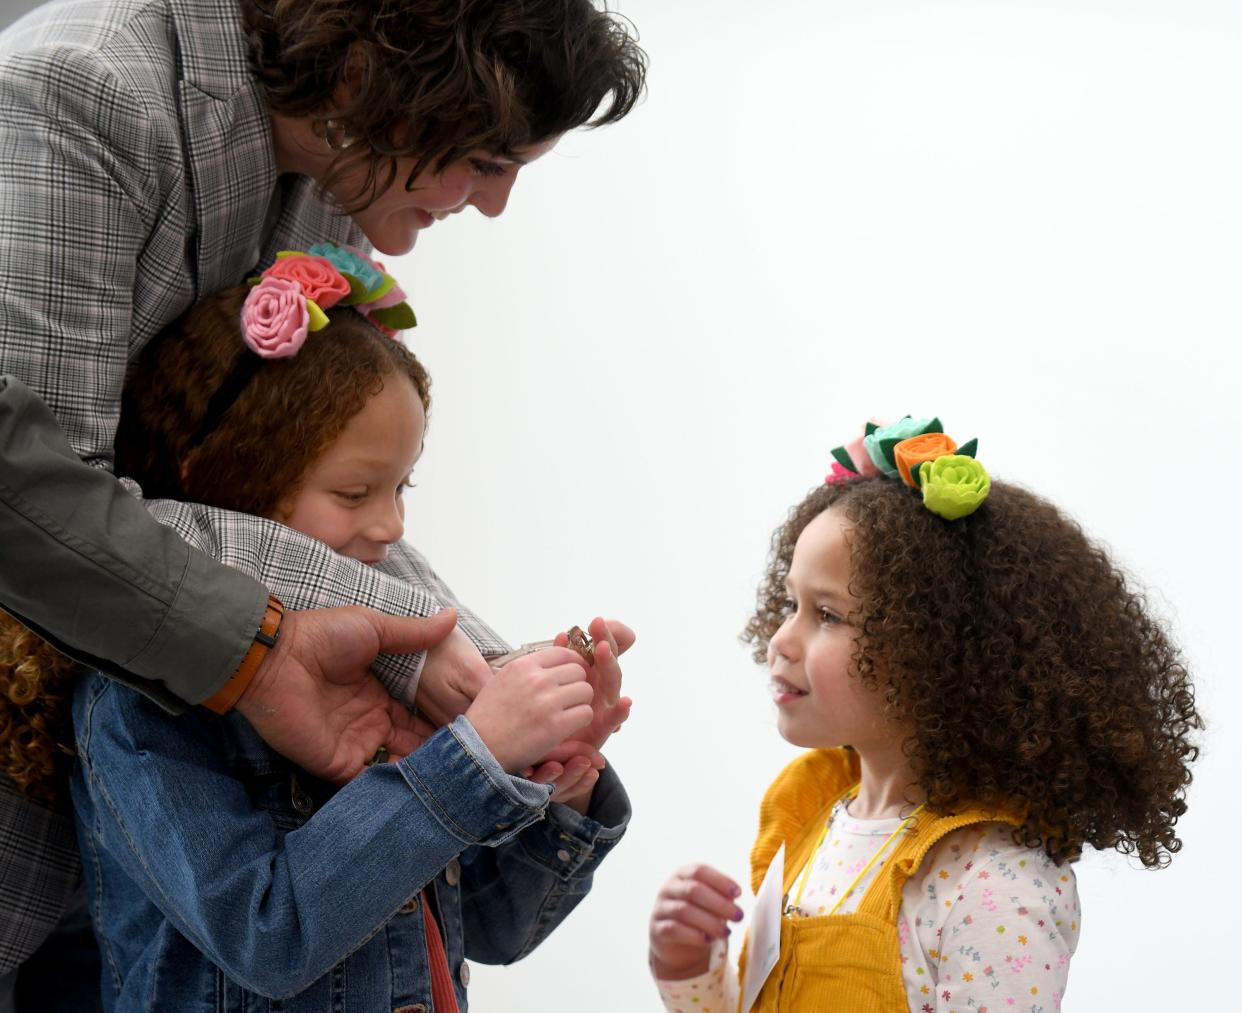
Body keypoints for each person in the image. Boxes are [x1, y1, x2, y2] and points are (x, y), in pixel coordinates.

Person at [0, 0, 646, 984]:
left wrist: (497, 681)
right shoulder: (78, 93)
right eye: (484, 157)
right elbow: (42, 503)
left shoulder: (339, 165)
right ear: (372, 83)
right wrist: (420, 651)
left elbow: (294, 501)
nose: (494, 204)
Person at [5, 261, 634, 1011]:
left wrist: (557, 788)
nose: (392, 527)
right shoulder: (139, 706)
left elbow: (495, 928)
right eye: (353, 492)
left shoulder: (389, 678)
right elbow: (269, 937)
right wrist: (473, 759)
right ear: (226, 483)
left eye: (401, 488)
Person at [647, 417, 1201, 1012]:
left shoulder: (993, 882)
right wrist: (687, 969)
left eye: (827, 615)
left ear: (934, 651)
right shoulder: (806, 819)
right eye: (791, 604)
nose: (781, 639)